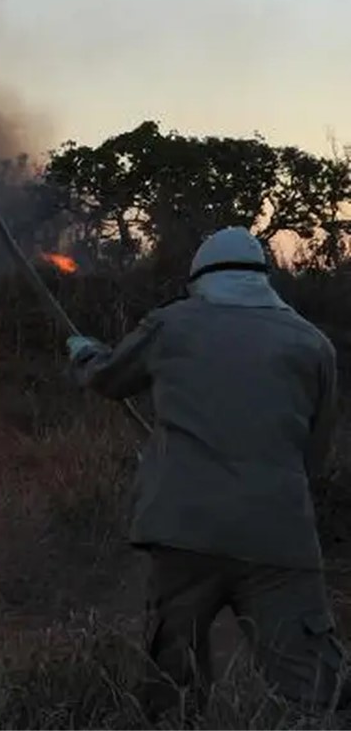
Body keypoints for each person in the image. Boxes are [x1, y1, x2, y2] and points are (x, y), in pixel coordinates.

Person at [66, 226, 345, 718]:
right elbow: (314, 456)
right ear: (263, 278)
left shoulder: (171, 325)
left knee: (173, 683)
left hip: (183, 532)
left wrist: (85, 354)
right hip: (279, 538)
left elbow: (110, 379)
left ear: (201, 279)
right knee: (315, 686)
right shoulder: (313, 344)